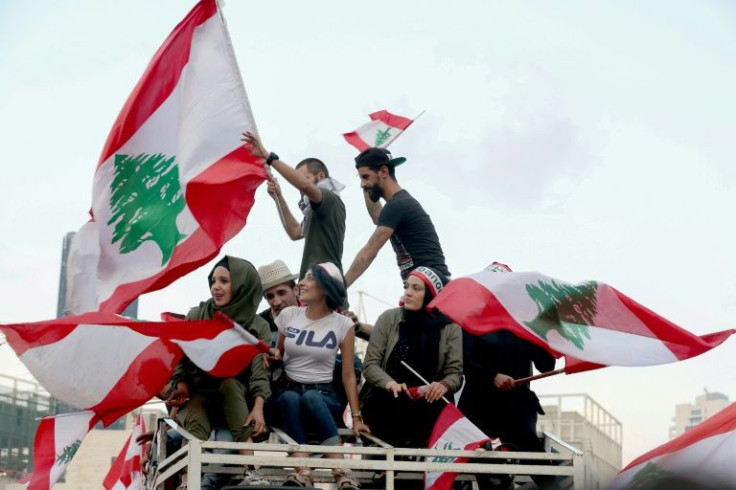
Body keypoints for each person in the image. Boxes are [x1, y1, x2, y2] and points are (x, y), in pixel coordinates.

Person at [167, 256, 273, 488]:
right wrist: (181, 383)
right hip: (196, 395)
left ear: (242, 285)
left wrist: (258, 408)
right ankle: (189, 480)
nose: (216, 286)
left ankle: (251, 471)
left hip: (234, 402)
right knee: (196, 424)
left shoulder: (257, 327)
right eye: (213, 280)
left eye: (225, 281)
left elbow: (259, 373)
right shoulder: (197, 315)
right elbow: (180, 358)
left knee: (230, 383)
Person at [458, 262, 560, 490]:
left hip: (518, 408)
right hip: (480, 406)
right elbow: (462, 362)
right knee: (489, 474)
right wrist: (492, 376)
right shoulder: (469, 319)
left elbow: (546, 365)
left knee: (544, 474)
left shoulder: (525, 321)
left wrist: (547, 328)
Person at [271, 262, 369, 489]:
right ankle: (302, 471)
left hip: (324, 395)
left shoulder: (343, 323)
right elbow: (280, 353)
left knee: (311, 397)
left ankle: (341, 470)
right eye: (303, 278)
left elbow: (348, 375)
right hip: (290, 391)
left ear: (325, 288)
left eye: (309, 279)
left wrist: (356, 417)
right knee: (289, 398)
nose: (302, 284)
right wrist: (271, 355)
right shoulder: (289, 315)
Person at [360, 266, 462, 450]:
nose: (408, 293)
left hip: (426, 402)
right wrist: (390, 383)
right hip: (387, 398)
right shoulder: (389, 318)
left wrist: (443, 385)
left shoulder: (450, 328)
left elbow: (455, 373)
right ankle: (383, 471)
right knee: (388, 403)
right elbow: (370, 365)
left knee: (439, 406)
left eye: (416, 289)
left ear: (431, 294)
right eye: (406, 287)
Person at [242, 131, 347, 280]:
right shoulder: (314, 210)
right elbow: (295, 232)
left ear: (321, 176)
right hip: (313, 282)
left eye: (306, 177)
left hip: (324, 282)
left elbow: (303, 185)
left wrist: (268, 156)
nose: (298, 186)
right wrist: (279, 197)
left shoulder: (328, 197)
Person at [344, 148, 450, 286]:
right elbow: (377, 217)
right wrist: (367, 187)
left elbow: (369, 251)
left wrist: (339, 289)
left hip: (428, 285)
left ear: (383, 172)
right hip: (424, 285)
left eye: (365, 177)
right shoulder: (398, 204)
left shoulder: (398, 205)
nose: (361, 184)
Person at [257, 259, 300, 347]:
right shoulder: (259, 325)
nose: (276, 302)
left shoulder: (314, 312)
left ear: (296, 290)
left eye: (281, 293)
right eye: (270, 296)